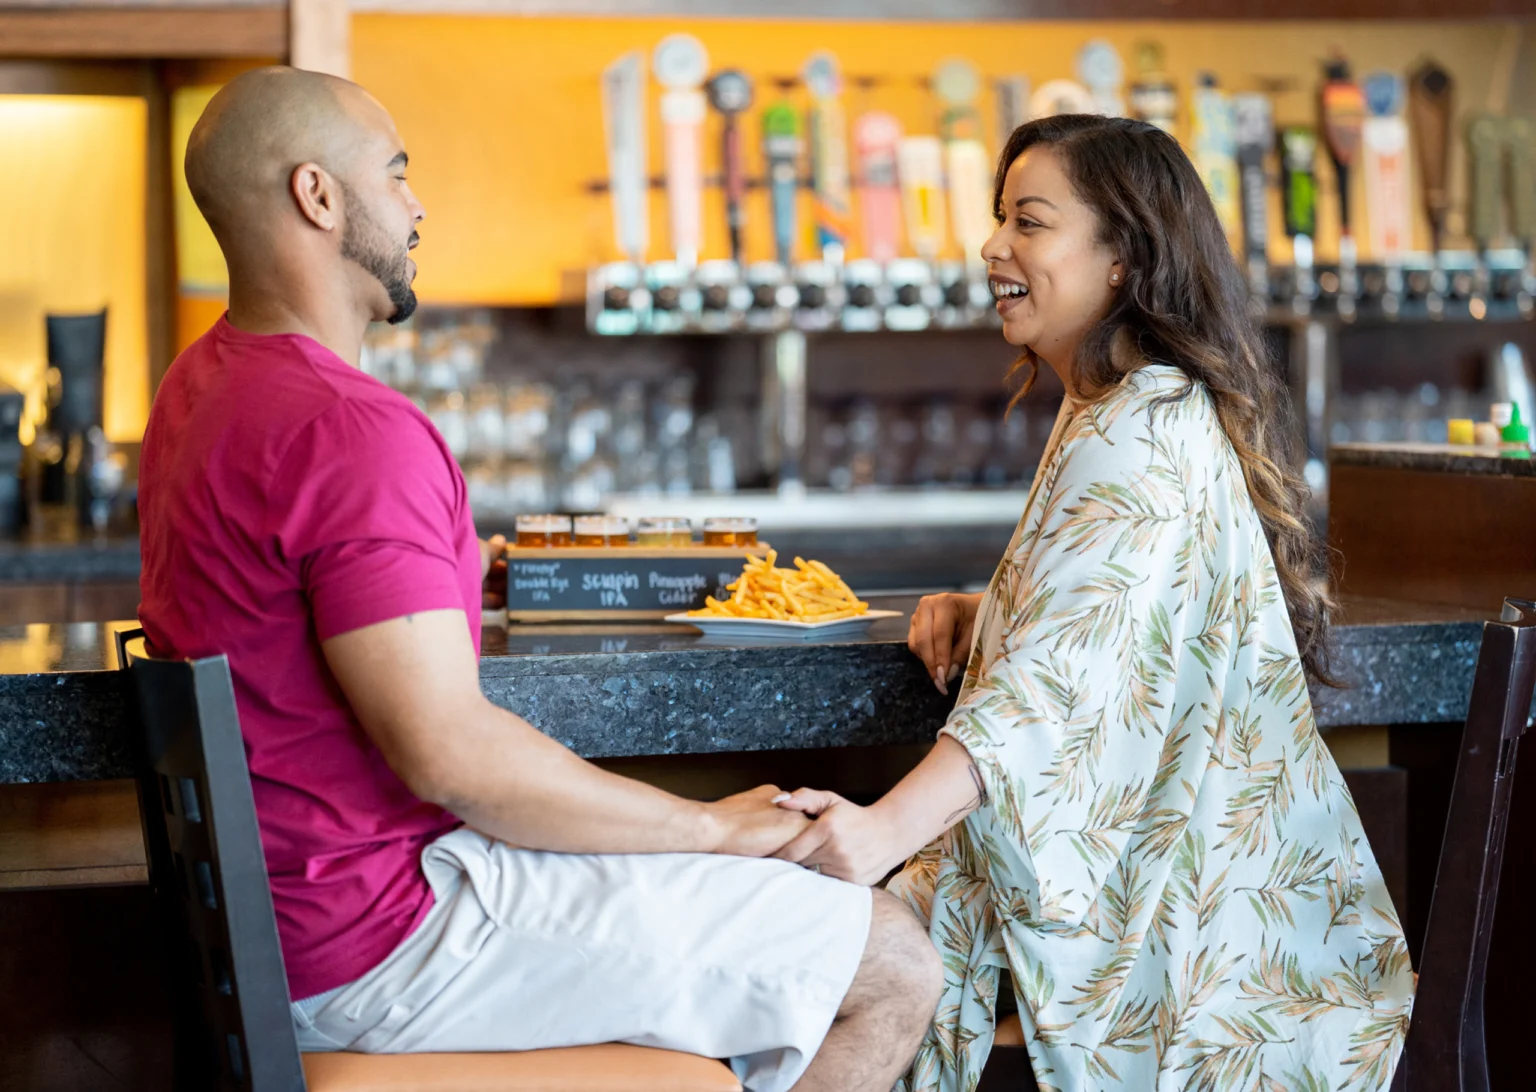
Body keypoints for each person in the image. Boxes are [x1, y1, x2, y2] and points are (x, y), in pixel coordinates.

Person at [136, 66, 940, 1092]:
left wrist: (686, 846)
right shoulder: (351, 429)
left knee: (760, 939)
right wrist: (704, 829)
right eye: (396, 173)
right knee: (886, 957)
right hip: (383, 933)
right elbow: (451, 756)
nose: (417, 204)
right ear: (318, 197)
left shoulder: (197, 389)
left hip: (291, 920)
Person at [771, 115, 1414, 1092]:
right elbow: (1132, 621)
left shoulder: (1138, 427)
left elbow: (1049, 693)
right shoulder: (1126, 401)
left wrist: (881, 831)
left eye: (1029, 223)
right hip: (1216, 927)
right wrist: (990, 608)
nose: (993, 248)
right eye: (1000, 220)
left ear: (1124, 259)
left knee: (803, 981)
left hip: (1198, 971)